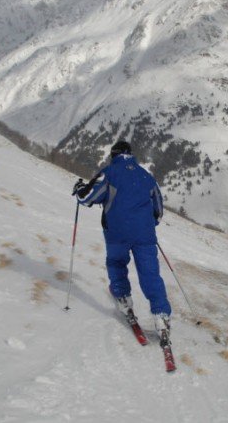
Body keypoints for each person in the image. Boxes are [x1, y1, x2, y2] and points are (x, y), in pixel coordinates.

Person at [72, 140, 172, 339]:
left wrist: (79, 189)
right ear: (130, 155)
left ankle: (123, 298)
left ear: (114, 154)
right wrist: (145, 224)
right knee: (150, 274)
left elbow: (88, 198)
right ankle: (161, 316)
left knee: (117, 264)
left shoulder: (108, 173)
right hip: (145, 235)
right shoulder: (147, 177)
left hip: (117, 233)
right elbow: (158, 212)